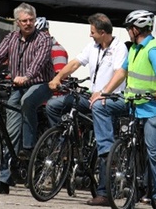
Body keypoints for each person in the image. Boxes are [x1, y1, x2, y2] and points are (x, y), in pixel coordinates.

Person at [0, 2, 54, 194]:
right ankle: (4, 180)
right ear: (17, 22)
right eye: (24, 21)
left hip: (40, 84)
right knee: (10, 134)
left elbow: (39, 61)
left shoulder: (44, 38)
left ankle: (29, 146)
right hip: (18, 86)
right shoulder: (12, 38)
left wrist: (27, 76)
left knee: (27, 101)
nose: (29, 23)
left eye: (31, 20)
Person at [91, 10, 156, 209]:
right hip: (133, 104)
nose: (128, 32)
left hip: (152, 107)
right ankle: (108, 150)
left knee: (154, 151)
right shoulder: (135, 48)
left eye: (129, 28)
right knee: (100, 107)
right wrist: (104, 92)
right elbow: (122, 71)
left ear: (136, 29)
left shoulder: (152, 49)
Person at [47, 13, 128, 206]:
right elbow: (76, 63)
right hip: (92, 96)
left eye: (92, 32)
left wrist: (103, 92)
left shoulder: (119, 48)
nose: (89, 35)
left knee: (104, 145)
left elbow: (120, 73)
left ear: (103, 32)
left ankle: (103, 192)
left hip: (109, 99)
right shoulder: (92, 47)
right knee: (54, 105)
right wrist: (59, 77)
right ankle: (65, 142)